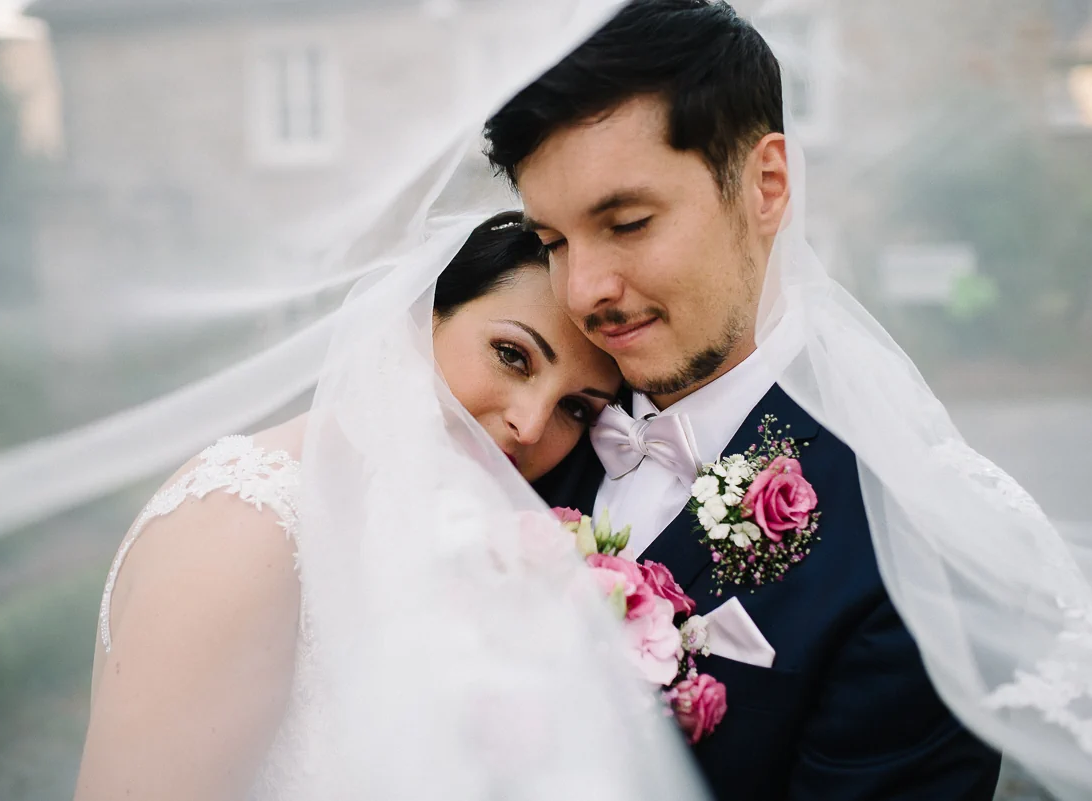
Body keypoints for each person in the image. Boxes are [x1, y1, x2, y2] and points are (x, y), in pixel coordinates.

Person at [485, 2, 1002, 798]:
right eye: (552, 242)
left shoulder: (912, 548)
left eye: (628, 223)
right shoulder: (527, 439)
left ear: (766, 185)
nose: (583, 291)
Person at [72, 212, 628, 801]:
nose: (531, 425)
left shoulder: (448, 539)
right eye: (512, 356)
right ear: (420, 313)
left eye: (576, 408)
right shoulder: (249, 521)